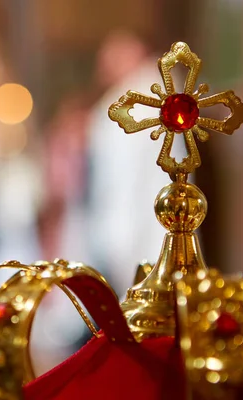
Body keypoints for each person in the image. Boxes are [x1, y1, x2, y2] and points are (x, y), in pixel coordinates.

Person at [85, 31, 186, 294]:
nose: (104, 62)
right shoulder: (159, 97)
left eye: (114, 53)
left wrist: (117, 242)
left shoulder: (138, 102)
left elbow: (124, 180)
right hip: (156, 227)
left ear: (136, 51)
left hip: (139, 233)